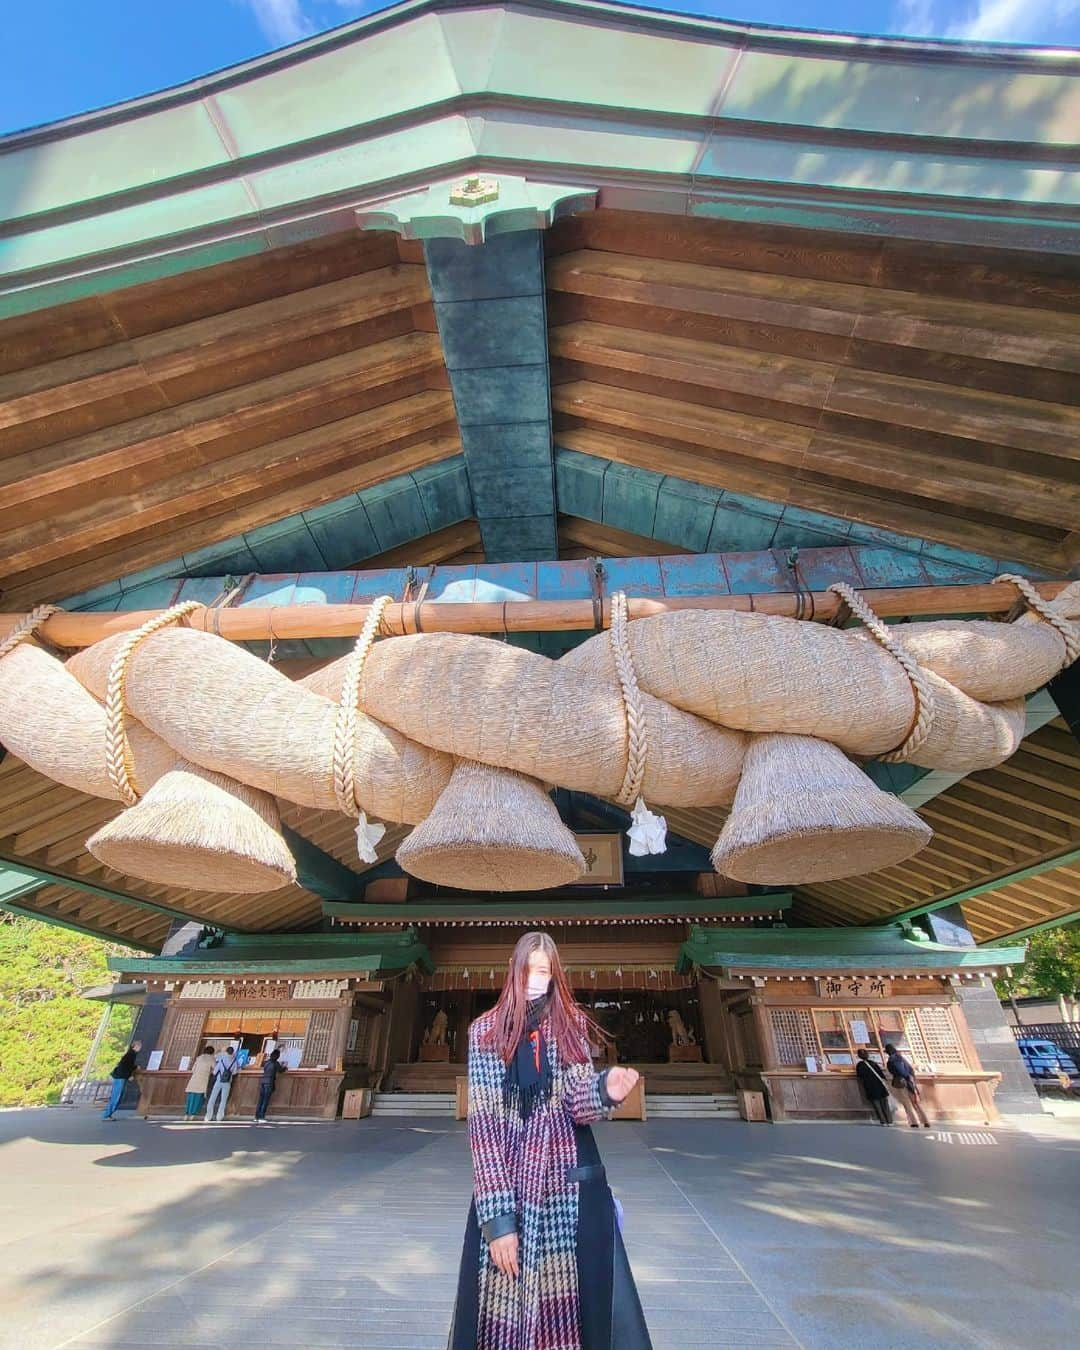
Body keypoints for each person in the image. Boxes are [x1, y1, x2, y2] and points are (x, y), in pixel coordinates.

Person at [447, 931, 653, 1350]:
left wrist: (604, 1090)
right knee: (503, 1313)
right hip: (507, 1187)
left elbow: (577, 1103)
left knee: (568, 1313)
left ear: (555, 975)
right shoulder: (485, 1032)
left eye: (544, 971)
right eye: (528, 969)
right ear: (513, 971)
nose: (535, 979)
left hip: (566, 1189)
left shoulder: (570, 1024)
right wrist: (498, 1223)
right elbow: (484, 1130)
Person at [885, 1042, 931, 1127]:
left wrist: (904, 1075)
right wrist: (911, 1077)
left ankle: (913, 1122)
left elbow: (899, 1070)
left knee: (906, 1103)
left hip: (901, 1082)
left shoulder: (892, 1060)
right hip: (910, 1081)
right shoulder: (902, 1058)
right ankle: (925, 1120)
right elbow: (911, 1069)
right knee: (915, 1102)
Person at [102, 1039, 142, 1120]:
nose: (140, 1048)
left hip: (119, 1076)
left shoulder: (130, 1054)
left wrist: (134, 1067)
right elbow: (126, 1066)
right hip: (121, 1077)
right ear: (135, 1046)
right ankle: (107, 1115)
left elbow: (127, 1065)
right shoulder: (131, 1055)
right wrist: (129, 1075)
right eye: (139, 1046)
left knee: (116, 1095)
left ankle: (108, 1114)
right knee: (116, 1095)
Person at [855, 1049, 892, 1125]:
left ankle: (883, 1121)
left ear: (859, 1056)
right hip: (880, 1085)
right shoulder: (873, 1063)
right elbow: (881, 1074)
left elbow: (860, 1076)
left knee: (876, 1104)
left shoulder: (859, 1065)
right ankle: (889, 1120)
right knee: (884, 1103)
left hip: (870, 1087)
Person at [205, 1044, 240, 1123]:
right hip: (228, 1082)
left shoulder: (221, 1059)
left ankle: (208, 1116)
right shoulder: (234, 1061)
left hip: (219, 1080)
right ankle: (219, 1117)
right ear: (233, 1052)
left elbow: (215, 1072)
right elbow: (234, 1072)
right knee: (223, 1100)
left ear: (226, 1052)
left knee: (212, 1098)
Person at [184, 1043, 217, 1119]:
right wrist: (210, 1071)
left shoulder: (199, 1057)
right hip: (203, 1079)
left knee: (191, 1097)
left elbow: (193, 1069)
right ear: (212, 1052)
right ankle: (193, 1114)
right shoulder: (212, 1059)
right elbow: (215, 1069)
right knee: (198, 1097)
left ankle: (186, 1114)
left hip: (194, 1079)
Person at [254, 1047, 286, 1122]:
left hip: (263, 1081)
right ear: (277, 1056)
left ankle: (256, 1116)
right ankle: (262, 1117)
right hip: (269, 1082)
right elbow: (280, 1070)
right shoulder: (275, 1063)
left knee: (261, 1100)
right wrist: (285, 1067)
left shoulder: (266, 1062)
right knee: (266, 1100)